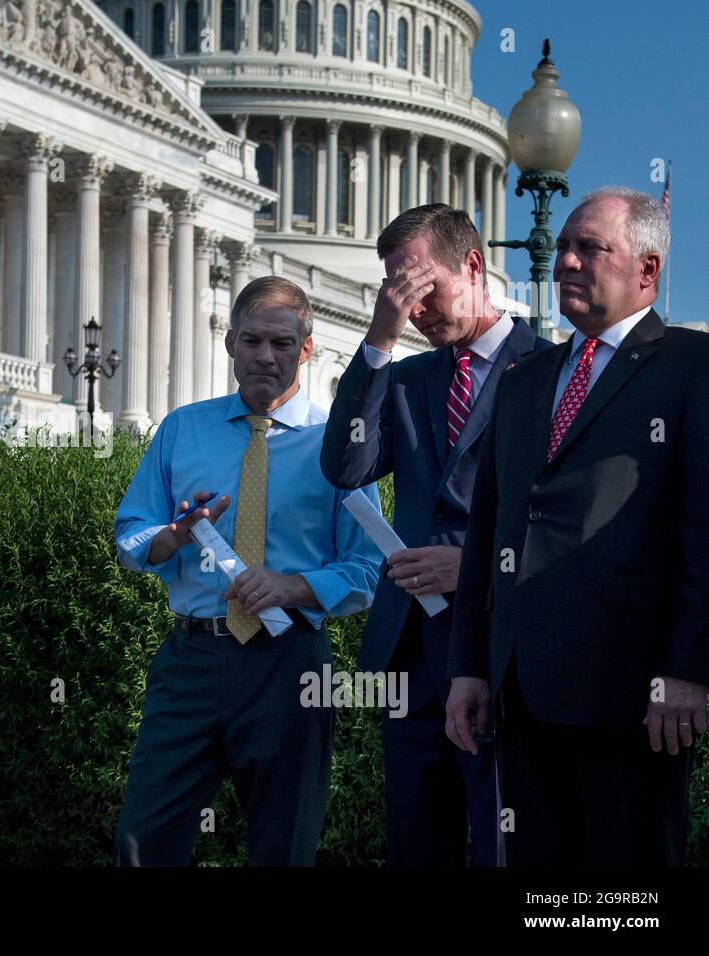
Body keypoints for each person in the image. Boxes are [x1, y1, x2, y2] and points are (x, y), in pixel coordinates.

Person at [446, 186, 709, 865]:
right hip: (521, 688)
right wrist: (470, 667)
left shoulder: (691, 367)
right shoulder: (525, 380)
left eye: (589, 248)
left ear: (646, 270)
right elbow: (489, 534)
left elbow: (703, 529)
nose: (565, 262)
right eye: (562, 247)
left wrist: (686, 670)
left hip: (633, 694)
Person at [112, 276, 382, 866]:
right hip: (191, 661)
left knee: (284, 846)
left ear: (306, 350)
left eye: (282, 344)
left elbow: (370, 566)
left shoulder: (338, 444)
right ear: (231, 342)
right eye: (253, 340)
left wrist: (296, 586)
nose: (266, 355)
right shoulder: (183, 428)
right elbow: (129, 533)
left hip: (292, 664)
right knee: (142, 838)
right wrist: (172, 537)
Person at [319, 204, 552, 866]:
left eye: (425, 290)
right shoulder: (404, 377)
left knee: (505, 836)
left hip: (502, 642)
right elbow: (344, 466)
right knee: (418, 839)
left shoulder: (549, 369)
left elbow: (568, 515)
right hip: (412, 654)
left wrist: (471, 565)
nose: (416, 310)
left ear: (473, 267)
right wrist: (377, 341)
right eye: (401, 296)